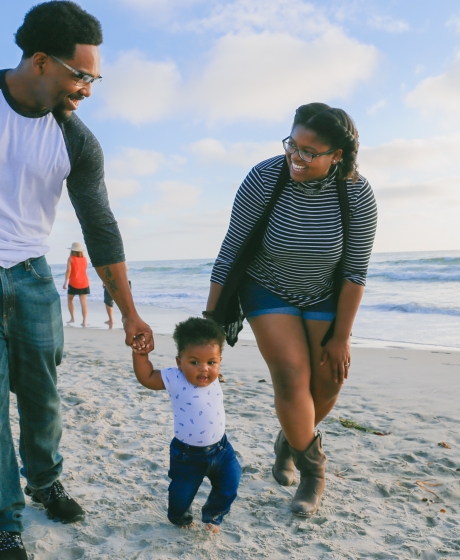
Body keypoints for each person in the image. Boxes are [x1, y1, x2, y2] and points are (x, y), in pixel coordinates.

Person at [0, 3, 153, 558]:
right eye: (80, 75)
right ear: (40, 62)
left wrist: (130, 311)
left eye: (94, 77)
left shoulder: (77, 141)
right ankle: (4, 518)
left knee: (42, 396)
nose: (88, 88)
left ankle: (45, 481)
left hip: (35, 277)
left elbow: (101, 227)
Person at [205, 103, 377, 517]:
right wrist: (210, 323)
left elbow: (355, 271)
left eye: (309, 152)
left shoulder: (356, 192)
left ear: (337, 154)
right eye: (292, 145)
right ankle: (313, 472)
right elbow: (232, 247)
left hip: (324, 294)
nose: (295, 158)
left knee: (328, 383)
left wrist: (341, 337)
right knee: (291, 376)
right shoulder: (266, 176)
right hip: (267, 287)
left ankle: (290, 440)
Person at [132, 318, 241, 533]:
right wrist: (140, 355)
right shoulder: (175, 377)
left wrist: (214, 372)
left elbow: (210, 372)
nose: (204, 369)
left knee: (230, 483)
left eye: (211, 362)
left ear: (219, 361)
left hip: (221, 449)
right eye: (194, 362)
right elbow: (146, 377)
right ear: (179, 361)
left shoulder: (214, 376)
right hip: (188, 456)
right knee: (181, 494)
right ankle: (180, 517)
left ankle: (213, 515)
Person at [63, 242, 90, 327]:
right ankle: (84, 321)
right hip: (84, 282)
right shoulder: (85, 259)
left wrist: (65, 281)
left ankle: (72, 318)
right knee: (83, 302)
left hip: (74, 282)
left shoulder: (70, 258)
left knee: (70, 300)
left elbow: (68, 271)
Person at [103, 262, 130, 328]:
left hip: (111, 281)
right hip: (124, 282)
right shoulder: (119, 257)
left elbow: (105, 271)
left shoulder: (107, 259)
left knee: (108, 302)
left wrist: (104, 281)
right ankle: (127, 319)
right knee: (125, 302)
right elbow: (126, 268)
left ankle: (111, 320)